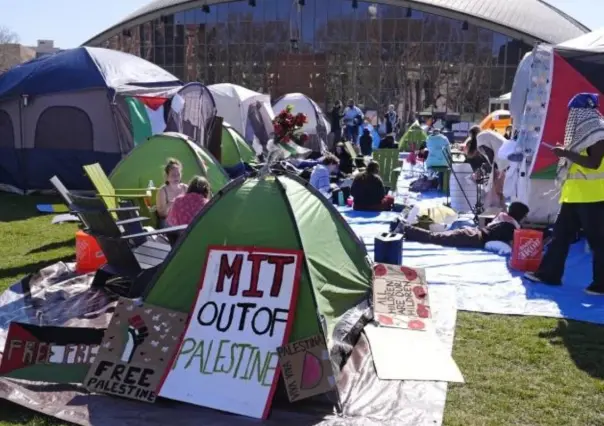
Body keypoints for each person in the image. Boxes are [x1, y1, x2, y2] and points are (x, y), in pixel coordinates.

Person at [525, 93, 604, 295]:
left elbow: (594, 163)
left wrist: (566, 153)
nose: (570, 117)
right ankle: (549, 274)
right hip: (574, 196)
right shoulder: (587, 133)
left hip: (593, 197)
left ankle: (601, 284)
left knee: (598, 241)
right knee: (560, 236)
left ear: (581, 112)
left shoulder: (598, 133)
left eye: (573, 112)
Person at [395, 202, 530, 248]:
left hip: (470, 233)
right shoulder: (510, 227)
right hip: (470, 237)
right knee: (434, 237)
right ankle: (406, 228)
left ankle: (407, 230)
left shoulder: (504, 218)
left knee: (435, 236)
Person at [156, 158, 188, 227]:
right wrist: (170, 204)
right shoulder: (163, 191)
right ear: (167, 177)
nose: (176, 177)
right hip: (167, 222)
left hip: (183, 220)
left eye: (178, 174)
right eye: (173, 175)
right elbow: (161, 215)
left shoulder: (185, 188)